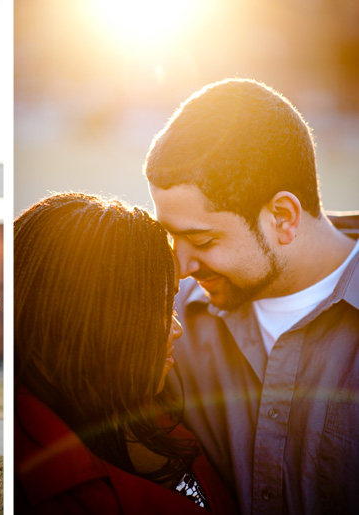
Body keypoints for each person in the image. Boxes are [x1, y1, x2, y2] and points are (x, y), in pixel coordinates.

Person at [144, 78, 359, 514]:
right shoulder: (175, 322)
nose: (181, 268)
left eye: (201, 241)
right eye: (170, 239)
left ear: (282, 217)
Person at [14, 192, 237, 513]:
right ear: (92, 317)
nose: (177, 328)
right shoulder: (47, 485)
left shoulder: (147, 399)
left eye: (172, 304)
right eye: (161, 307)